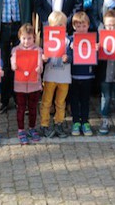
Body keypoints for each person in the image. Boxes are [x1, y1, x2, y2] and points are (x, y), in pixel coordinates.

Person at [39, 11, 72, 139]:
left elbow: (74, 57)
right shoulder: (47, 41)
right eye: (56, 26)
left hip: (64, 77)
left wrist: (68, 58)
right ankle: (44, 124)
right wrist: (43, 58)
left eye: (61, 26)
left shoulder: (69, 41)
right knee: (46, 101)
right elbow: (41, 55)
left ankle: (59, 123)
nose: (59, 28)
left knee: (60, 102)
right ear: (50, 27)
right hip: (50, 76)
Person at [10, 23, 44, 145]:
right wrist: (13, 65)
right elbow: (13, 62)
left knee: (33, 108)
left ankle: (32, 128)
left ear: (34, 38)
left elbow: (40, 65)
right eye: (24, 38)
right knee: (21, 108)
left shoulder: (38, 50)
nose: (26, 41)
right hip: (20, 85)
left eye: (29, 38)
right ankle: (21, 130)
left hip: (34, 85)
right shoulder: (15, 50)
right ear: (19, 37)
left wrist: (39, 69)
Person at [97, 10, 115, 137]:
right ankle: (105, 121)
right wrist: (97, 49)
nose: (111, 28)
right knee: (105, 98)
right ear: (104, 25)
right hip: (105, 76)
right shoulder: (101, 39)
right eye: (109, 25)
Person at [69, 11, 96, 137]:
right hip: (74, 74)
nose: (81, 29)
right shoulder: (71, 39)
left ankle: (85, 121)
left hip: (87, 75)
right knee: (74, 100)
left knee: (85, 100)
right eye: (78, 26)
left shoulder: (92, 39)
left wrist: (96, 49)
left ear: (88, 25)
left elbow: (96, 58)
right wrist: (70, 48)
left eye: (83, 26)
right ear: (74, 26)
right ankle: (76, 121)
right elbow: (67, 56)